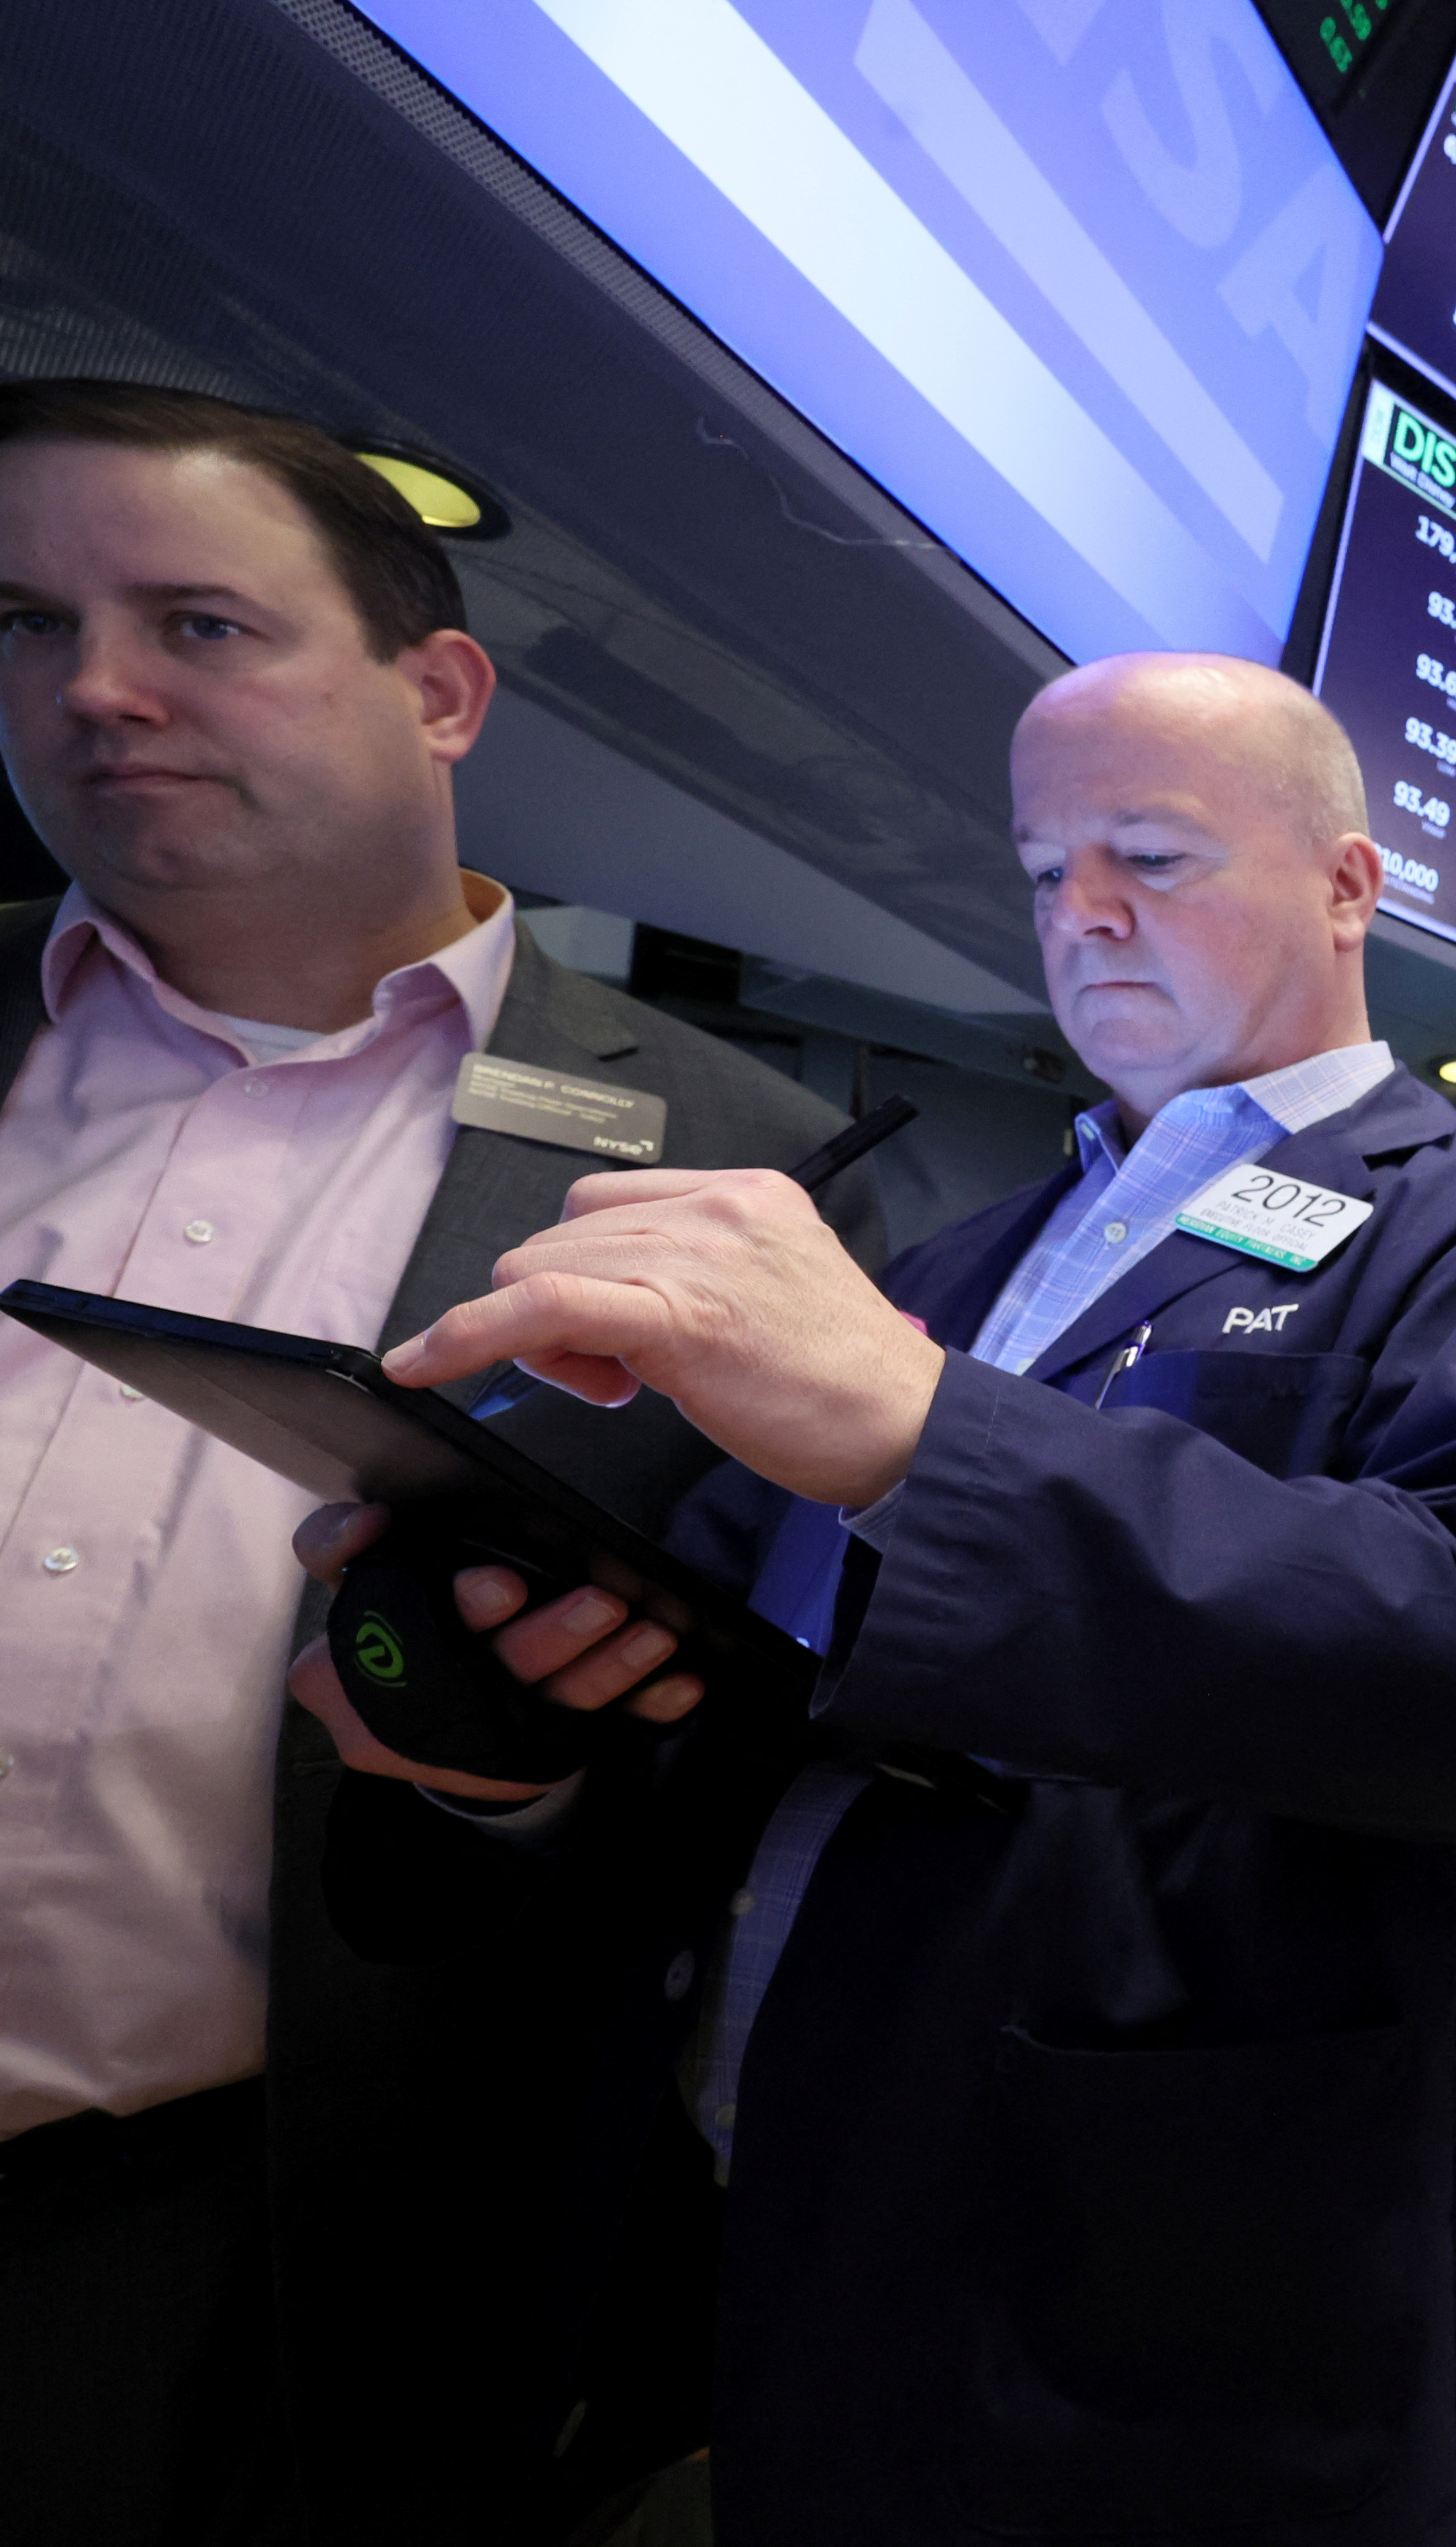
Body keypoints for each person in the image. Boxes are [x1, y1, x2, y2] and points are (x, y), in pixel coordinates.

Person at [283, 654, 1456, 2543]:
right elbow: (742, 1679)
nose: (1081, 914)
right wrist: (499, 1716)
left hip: (1159, 2246)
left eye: (1153, 855)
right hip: (791, 2201)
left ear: (1350, 886)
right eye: (1043, 867)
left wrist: (922, 1432)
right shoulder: (961, 1247)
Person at [0, 378, 873, 2547]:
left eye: (200, 624)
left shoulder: (747, 1162)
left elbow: (750, 1766)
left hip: (274, 2253)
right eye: (25, 623)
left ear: (444, 690)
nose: (97, 691)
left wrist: (519, 1776)